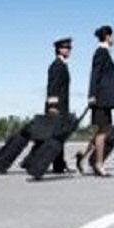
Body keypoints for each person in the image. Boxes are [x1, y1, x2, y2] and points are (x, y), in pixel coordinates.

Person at [76, 25, 114, 177]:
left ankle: (83, 156)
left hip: (105, 99)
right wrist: (91, 95)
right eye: (113, 36)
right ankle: (98, 164)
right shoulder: (101, 52)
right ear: (107, 36)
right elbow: (94, 74)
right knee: (102, 131)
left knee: (105, 130)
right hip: (100, 99)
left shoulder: (106, 52)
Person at [46, 37, 73, 174]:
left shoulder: (62, 65)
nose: (69, 50)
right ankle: (58, 165)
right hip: (57, 108)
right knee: (56, 137)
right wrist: (52, 106)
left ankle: (60, 163)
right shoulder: (57, 65)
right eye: (66, 48)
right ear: (59, 50)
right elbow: (53, 86)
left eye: (69, 48)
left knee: (60, 136)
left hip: (61, 106)